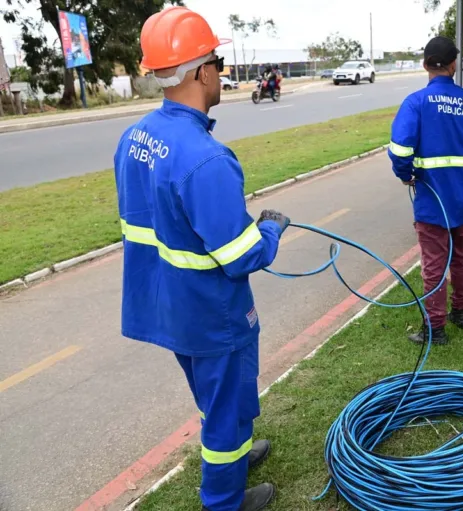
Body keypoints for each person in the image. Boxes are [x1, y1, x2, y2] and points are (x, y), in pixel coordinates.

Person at [114, 7, 289, 511]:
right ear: (201, 72)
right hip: (213, 314)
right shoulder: (206, 158)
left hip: (168, 306)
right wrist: (272, 228)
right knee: (223, 402)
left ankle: (233, 450)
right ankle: (224, 499)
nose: (221, 71)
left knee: (216, 397)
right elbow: (242, 256)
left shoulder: (136, 137)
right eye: (216, 59)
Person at [387, 36, 463, 346]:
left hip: (432, 199)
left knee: (434, 263)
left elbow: (400, 151)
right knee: (461, 257)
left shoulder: (416, 103)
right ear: (454, 65)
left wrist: (407, 176)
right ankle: (460, 313)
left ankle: (436, 328)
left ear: (425, 64)